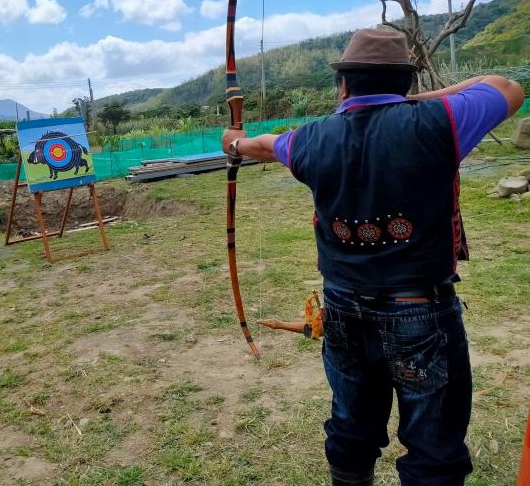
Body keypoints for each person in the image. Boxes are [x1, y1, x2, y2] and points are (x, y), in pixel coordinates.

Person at [221, 28, 526, 486]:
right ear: (405, 83)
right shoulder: (440, 119)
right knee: (433, 449)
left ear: (342, 84)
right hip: (421, 311)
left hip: (343, 309)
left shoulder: (310, 139)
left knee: (351, 426)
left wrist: (234, 143)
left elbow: (262, 145)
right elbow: (506, 87)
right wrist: (412, 98)